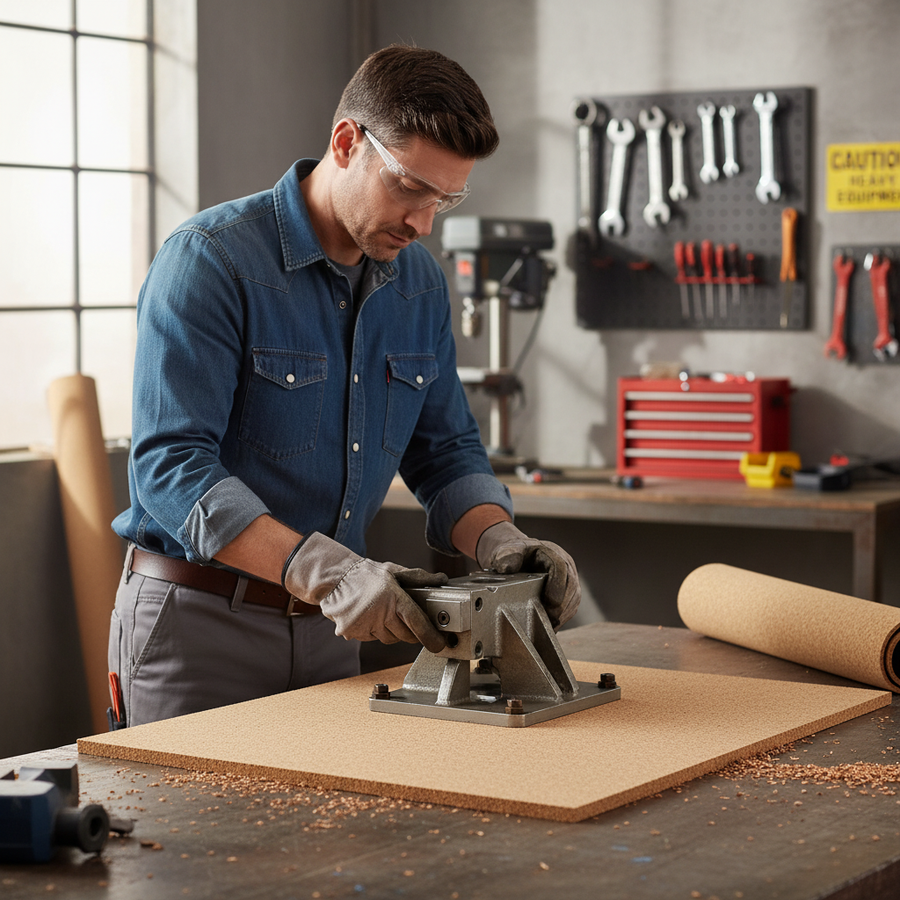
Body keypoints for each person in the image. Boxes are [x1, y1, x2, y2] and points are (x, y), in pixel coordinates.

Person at [109, 44, 581, 727]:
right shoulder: (210, 261)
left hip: (333, 637)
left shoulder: (417, 286)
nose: (423, 223)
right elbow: (170, 468)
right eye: (411, 188)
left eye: (444, 200)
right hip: (200, 631)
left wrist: (501, 542)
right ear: (346, 142)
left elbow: (445, 454)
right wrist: (328, 572)